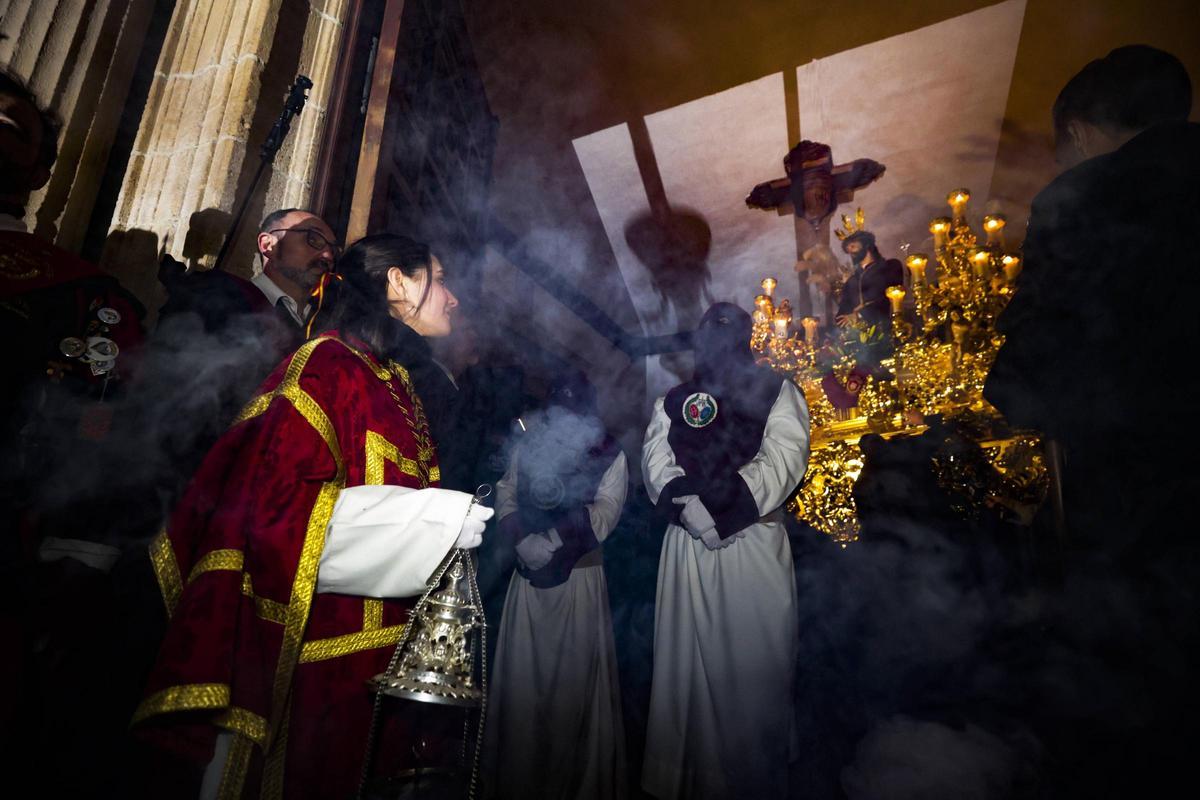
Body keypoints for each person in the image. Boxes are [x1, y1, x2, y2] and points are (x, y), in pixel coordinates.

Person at [131, 234, 493, 799]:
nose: (452, 298)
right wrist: (433, 521)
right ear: (397, 282)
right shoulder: (327, 364)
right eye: (439, 278)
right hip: (319, 654)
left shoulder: (393, 379)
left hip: (387, 653)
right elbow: (276, 517)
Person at [983, 45, 1200, 795]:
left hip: (1141, 500)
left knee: (1135, 713)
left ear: (1075, 130)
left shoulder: (1087, 198)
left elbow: (1033, 370)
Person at [640, 302, 811, 799]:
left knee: (754, 668)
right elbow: (656, 460)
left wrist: (718, 508)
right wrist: (684, 508)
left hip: (753, 541)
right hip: (685, 547)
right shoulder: (673, 400)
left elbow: (784, 457)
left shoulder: (779, 390)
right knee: (685, 672)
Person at [484, 370, 628, 800]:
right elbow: (506, 489)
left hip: (580, 581)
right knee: (523, 692)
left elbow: (607, 508)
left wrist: (555, 540)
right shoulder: (528, 439)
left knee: (575, 696)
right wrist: (520, 539)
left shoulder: (609, 449)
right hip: (526, 584)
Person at [833, 226, 903, 331]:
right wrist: (843, 322)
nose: (850, 251)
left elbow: (889, 296)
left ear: (866, 244)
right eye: (848, 249)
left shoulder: (890, 266)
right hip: (859, 338)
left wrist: (859, 315)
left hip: (885, 328)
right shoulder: (852, 281)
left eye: (853, 246)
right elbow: (842, 312)